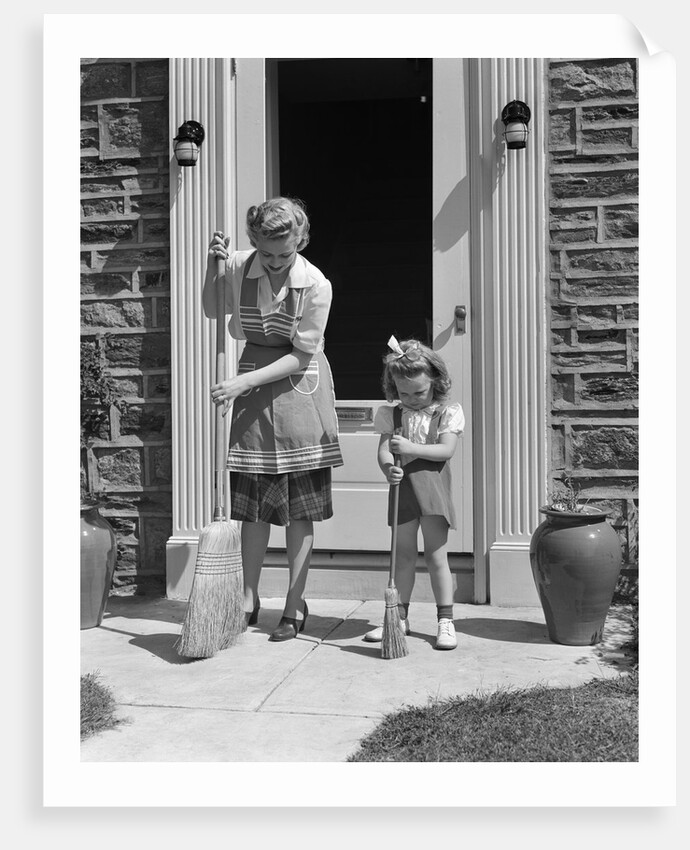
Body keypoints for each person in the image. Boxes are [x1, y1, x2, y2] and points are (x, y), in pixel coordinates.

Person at [203, 197, 343, 641]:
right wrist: (214, 266)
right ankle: (248, 597)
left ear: (301, 240)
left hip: (298, 388)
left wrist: (244, 383)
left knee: (299, 511)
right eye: (267, 254)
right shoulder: (241, 265)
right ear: (254, 243)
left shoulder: (316, 284)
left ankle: (294, 602)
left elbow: (302, 354)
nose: (277, 262)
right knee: (253, 509)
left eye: (286, 253)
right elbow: (212, 309)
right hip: (251, 390)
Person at [364, 336, 465, 650]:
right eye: (404, 393)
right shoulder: (392, 415)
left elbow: (446, 449)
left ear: (436, 381)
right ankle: (399, 619)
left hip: (433, 492)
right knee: (403, 556)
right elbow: (383, 451)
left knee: (436, 557)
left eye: (419, 392)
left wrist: (410, 448)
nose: (412, 399)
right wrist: (387, 468)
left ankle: (445, 620)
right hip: (403, 491)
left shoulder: (445, 413)